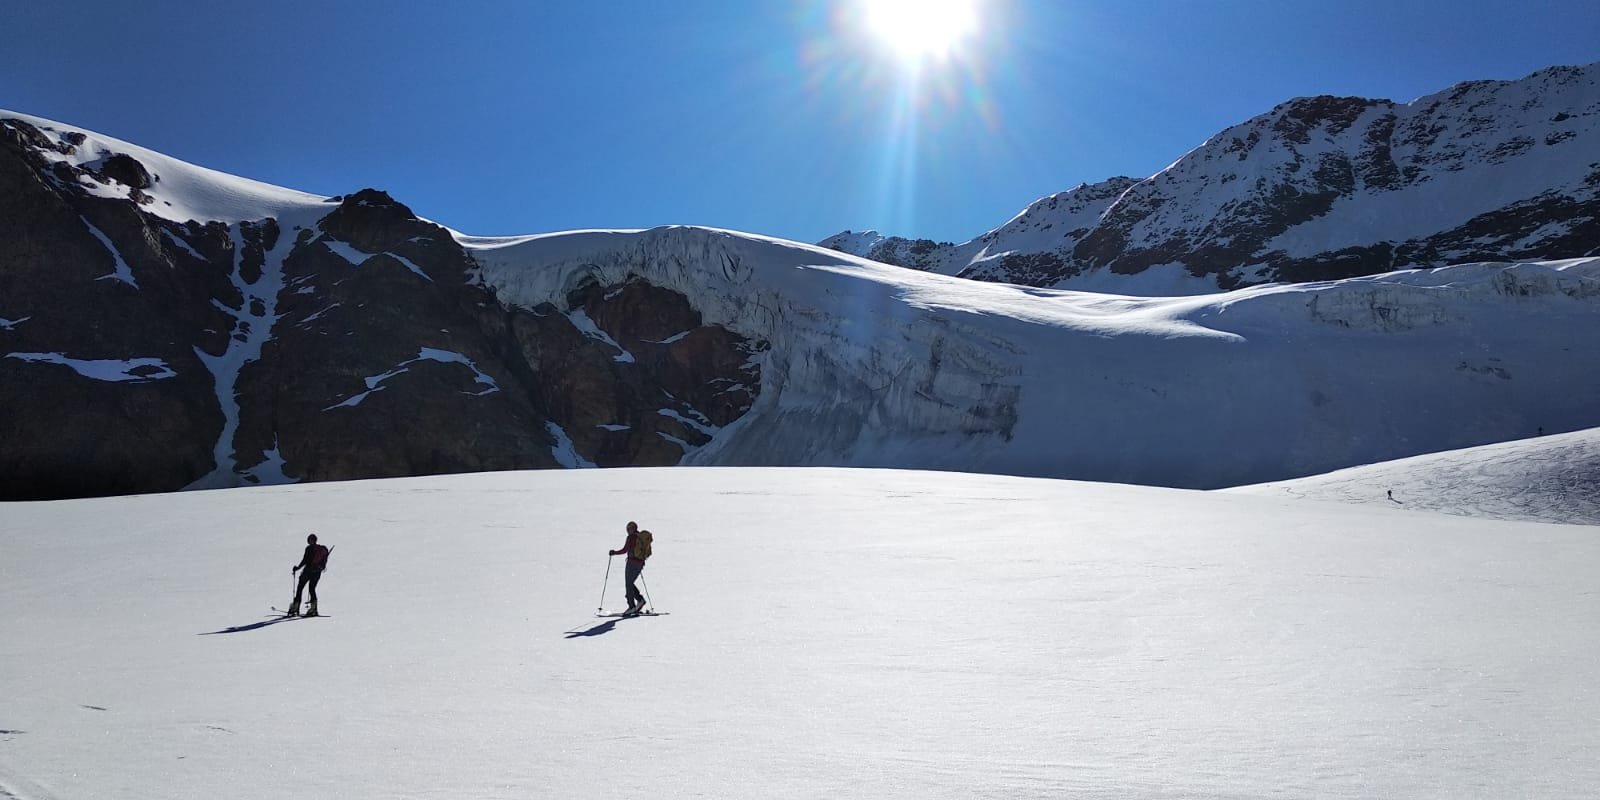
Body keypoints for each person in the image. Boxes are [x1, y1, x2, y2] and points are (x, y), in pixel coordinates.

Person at [609, 521, 653, 615]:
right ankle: (640, 600)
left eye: (629, 529)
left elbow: (625, 550)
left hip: (632, 563)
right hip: (640, 563)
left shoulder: (632, 538)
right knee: (630, 583)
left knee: (628, 584)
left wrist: (614, 552)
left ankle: (631, 606)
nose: (628, 531)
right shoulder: (639, 537)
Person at [288, 533, 331, 617]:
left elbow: (305, 560)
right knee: (312, 589)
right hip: (317, 572)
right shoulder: (321, 549)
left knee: (300, 588)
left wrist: (298, 568)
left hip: (308, 571)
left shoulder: (308, 548)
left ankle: (295, 608)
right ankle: (313, 609)